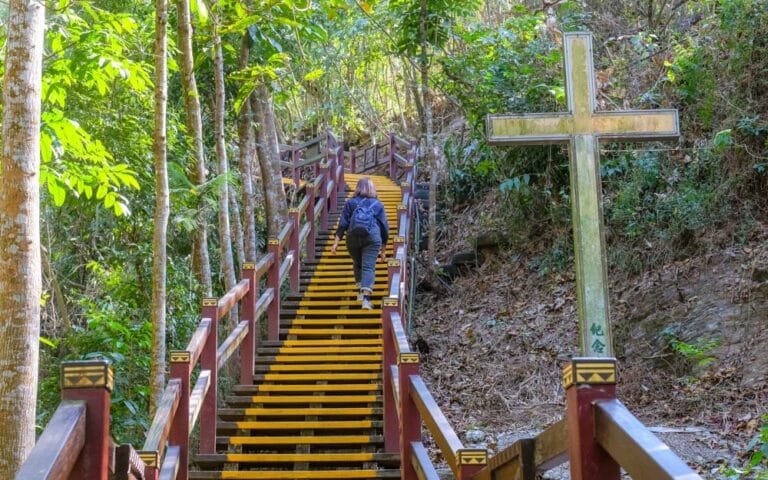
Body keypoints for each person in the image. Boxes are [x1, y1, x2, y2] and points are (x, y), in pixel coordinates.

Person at [331, 177, 389, 309]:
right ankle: (366, 300)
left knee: (357, 263)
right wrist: (383, 250)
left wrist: (336, 243)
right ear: (372, 189)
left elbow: (343, 224)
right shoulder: (378, 205)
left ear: (357, 188)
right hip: (372, 237)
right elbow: (384, 228)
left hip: (352, 237)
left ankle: (360, 292)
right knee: (368, 266)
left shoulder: (350, 203)